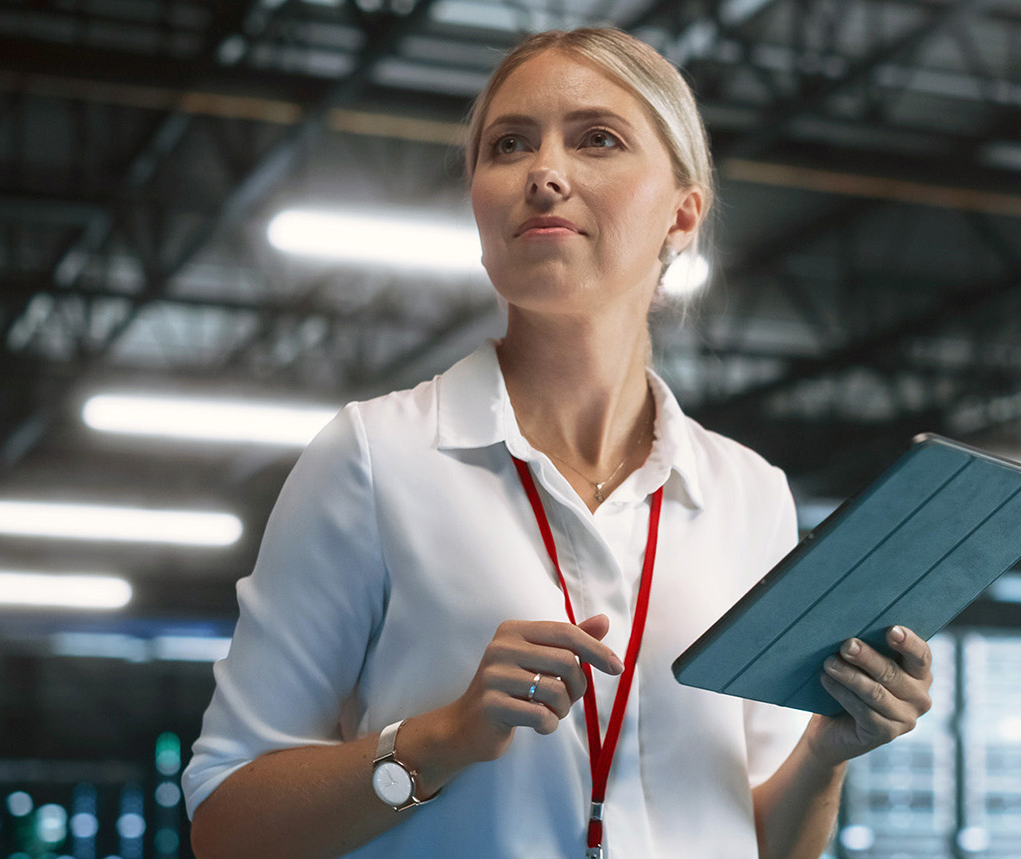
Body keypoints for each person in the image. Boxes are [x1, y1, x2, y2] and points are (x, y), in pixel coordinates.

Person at [184, 27, 933, 859]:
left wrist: (826, 754)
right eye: (508, 145)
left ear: (682, 213)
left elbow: (761, 843)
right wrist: (441, 738)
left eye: (597, 139)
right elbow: (226, 824)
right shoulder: (374, 456)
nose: (543, 173)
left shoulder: (749, 492)